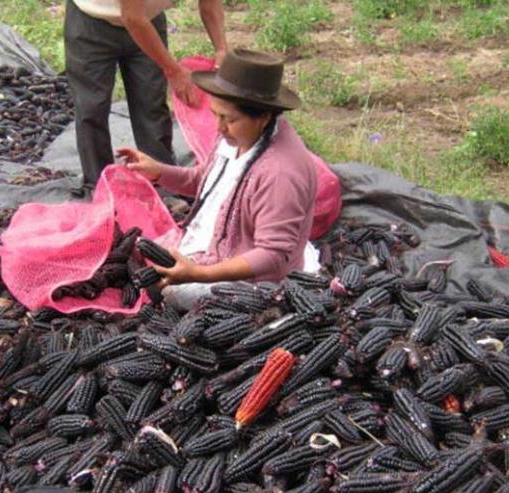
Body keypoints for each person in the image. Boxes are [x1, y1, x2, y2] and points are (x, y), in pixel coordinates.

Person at [117, 48, 320, 310]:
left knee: (165, 292)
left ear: (264, 116)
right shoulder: (237, 137)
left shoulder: (280, 173)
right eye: (216, 114)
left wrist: (198, 274)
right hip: (216, 245)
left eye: (230, 119)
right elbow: (205, 183)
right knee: (137, 254)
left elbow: (273, 255)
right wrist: (159, 171)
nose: (220, 127)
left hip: (256, 281)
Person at [64, 0, 228, 189]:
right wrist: (173, 71)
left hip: (147, 20)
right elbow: (132, 18)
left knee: (151, 103)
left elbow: (210, 4)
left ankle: (162, 181)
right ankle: (98, 185)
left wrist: (221, 50)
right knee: (92, 109)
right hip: (92, 22)